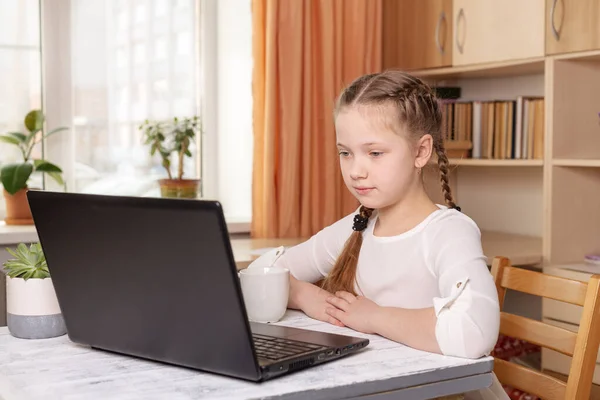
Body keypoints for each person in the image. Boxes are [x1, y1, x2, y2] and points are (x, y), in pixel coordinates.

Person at [250, 70, 507, 399]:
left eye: (375, 153)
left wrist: (373, 316)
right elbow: (258, 274)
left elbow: (474, 331)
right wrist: (307, 297)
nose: (356, 170)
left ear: (420, 152)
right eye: (346, 153)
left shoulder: (449, 232)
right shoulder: (358, 223)